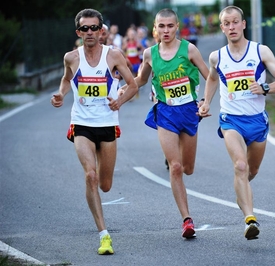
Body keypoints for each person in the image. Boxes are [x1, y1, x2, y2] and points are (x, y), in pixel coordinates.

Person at [50, 8, 138, 255]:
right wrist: (61, 94)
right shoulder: (71, 57)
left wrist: (118, 102)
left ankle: (96, 185)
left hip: (107, 125)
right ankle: (104, 235)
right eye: (84, 28)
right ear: (78, 32)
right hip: (82, 124)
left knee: (106, 185)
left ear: (102, 31)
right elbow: (67, 79)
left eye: (94, 28)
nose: (89, 32)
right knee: (91, 176)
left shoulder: (114, 56)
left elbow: (132, 85)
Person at [198, 6, 275, 240]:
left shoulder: (260, 52)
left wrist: (265, 87)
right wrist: (206, 101)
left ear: (243, 24)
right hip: (231, 121)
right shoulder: (217, 57)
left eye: (235, 22)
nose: (231, 27)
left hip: (257, 121)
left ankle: (241, 189)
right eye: (226, 23)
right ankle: (250, 219)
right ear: (222, 28)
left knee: (251, 170)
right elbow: (211, 78)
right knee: (240, 166)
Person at [130, 8, 209, 238]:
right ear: (155, 28)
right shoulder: (149, 54)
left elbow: (209, 76)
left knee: (188, 168)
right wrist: (125, 85)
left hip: (189, 111)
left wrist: (206, 101)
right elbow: (141, 80)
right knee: (175, 167)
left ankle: (178, 159)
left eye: (170, 26)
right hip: (165, 112)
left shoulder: (189, 49)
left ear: (176, 27)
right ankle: (187, 220)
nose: (165, 30)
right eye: (161, 26)